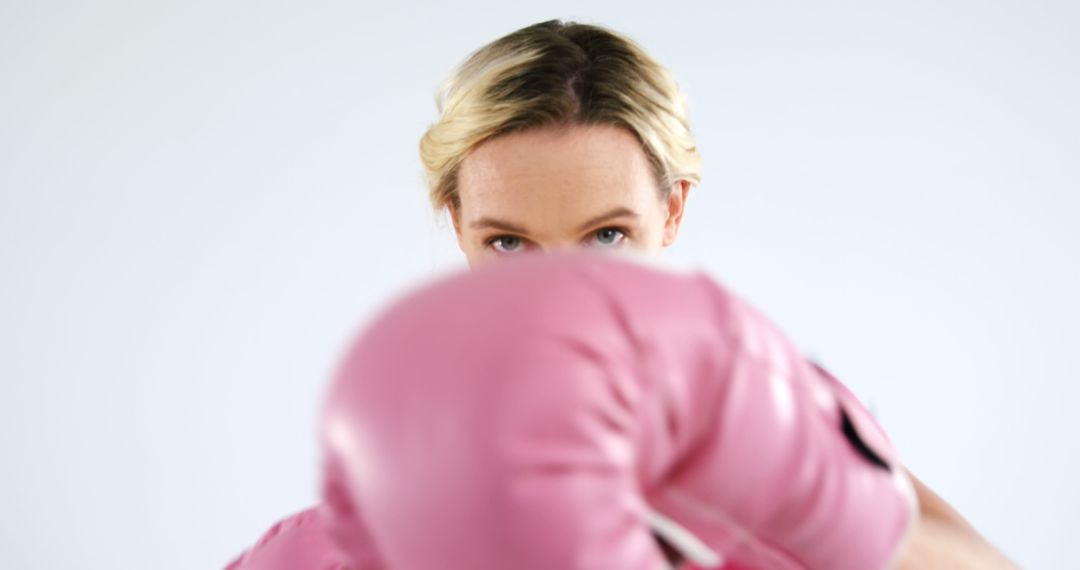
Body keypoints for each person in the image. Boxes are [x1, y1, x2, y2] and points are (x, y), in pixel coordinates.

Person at [227, 20, 1012, 569]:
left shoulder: (768, 401)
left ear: (670, 212)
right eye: (509, 242)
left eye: (606, 236)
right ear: (457, 222)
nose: (555, 291)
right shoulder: (388, 468)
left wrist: (838, 518)